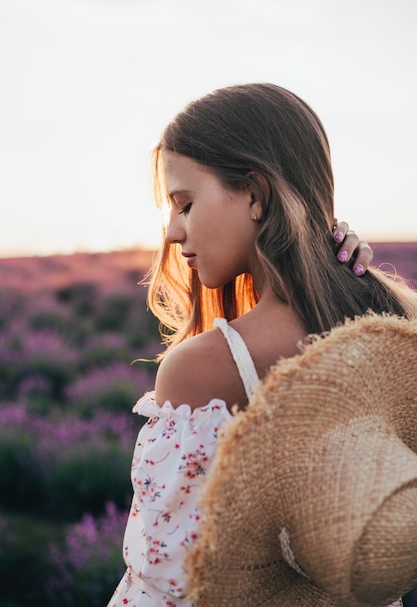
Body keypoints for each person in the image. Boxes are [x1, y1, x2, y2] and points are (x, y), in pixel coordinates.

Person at [107, 83, 417, 607]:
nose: (173, 233)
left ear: (254, 194)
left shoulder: (205, 368)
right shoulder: (394, 321)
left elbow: (163, 586)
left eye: (184, 203)